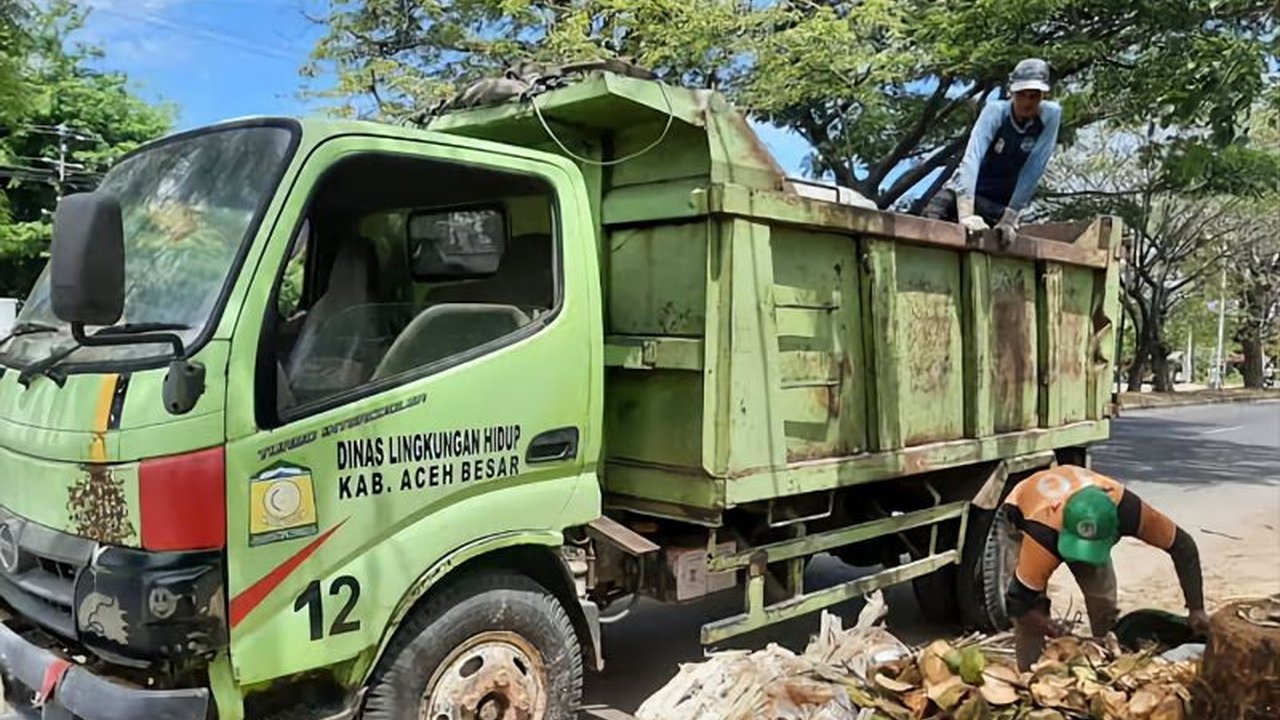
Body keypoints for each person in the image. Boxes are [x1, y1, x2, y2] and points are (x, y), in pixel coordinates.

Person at [999, 464, 1208, 671]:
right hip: (1025, 510)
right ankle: (1029, 674)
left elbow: (1183, 546)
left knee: (1103, 600)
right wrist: (1050, 627)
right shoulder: (1041, 535)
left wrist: (1196, 608)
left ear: (1116, 527)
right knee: (1030, 617)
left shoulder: (1128, 510)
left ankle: (1107, 657)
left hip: (1078, 511)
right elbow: (1018, 603)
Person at [921, 58, 1062, 245]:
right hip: (961, 195)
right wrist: (965, 214)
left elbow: (1034, 169)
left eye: (1034, 96)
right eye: (1021, 94)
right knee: (928, 228)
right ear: (1012, 92)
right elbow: (972, 158)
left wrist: (1010, 217)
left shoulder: (1050, 115)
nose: (1027, 102)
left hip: (997, 206)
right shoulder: (996, 112)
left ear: (1043, 95)